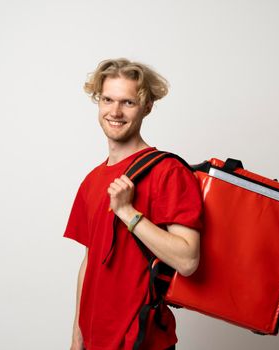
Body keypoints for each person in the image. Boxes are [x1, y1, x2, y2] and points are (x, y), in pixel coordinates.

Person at [64, 58, 203, 350]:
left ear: (147, 107)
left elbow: (188, 260)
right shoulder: (92, 180)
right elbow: (90, 263)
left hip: (142, 342)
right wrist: (78, 338)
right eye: (107, 100)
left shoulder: (168, 172)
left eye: (127, 102)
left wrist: (128, 213)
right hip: (95, 342)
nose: (115, 112)